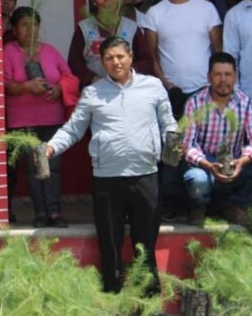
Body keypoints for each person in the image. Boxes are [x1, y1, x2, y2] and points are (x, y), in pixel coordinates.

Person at [46, 37, 176, 295]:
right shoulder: (93, 93)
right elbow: (73, 130)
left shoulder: (153, 86)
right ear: (102, 62)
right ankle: (113, 301)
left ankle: (149, 303)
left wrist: (173, 143)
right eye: (109, 58)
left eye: (120, 57)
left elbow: (168, 123)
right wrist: (50, 147)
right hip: (107, 180)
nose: (115, 62)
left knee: (145, 247)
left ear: (130, 57)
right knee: (110, 246)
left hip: (145, 177)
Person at [143, 0, 222, 222]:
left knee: (206, 145)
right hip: (171, 94)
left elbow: (218, 49)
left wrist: (213, 84)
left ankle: (206, 204)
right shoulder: (155, 12)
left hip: (203, 92)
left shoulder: (207, 9)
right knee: (172, 151)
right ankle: (172, 205)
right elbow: (150, 54)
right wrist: (165, 83)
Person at [3, 7, 71, 228]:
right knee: (33, 167)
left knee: (55, 165)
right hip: (23, 120)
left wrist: (60, 89)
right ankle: (40, 213)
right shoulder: (8, 52)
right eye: (24, 25)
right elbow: (3, 84)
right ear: (14, 29)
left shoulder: (50, 51)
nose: (30, 30)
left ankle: (55, 212)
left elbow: (69, 76)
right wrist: (26, 86)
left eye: (34, 25)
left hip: (52, 117)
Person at [181, 52, 252, 226]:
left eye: (228, 74)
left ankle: (233, 205)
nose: (223, 80)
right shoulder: (195, 102)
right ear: (209, 77)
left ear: (235, 77)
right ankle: (199, 207)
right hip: (204, 163)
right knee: (197, 180)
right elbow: (188, 144)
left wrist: (241, 162)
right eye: (218, 74)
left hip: (233, 162)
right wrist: (208, 165)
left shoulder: (247, 104)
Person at [69, 0, 152, 88]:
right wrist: (92, 78)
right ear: (94, 1)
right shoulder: (84, 27)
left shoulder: (131, 27)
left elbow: (145, 60)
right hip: (95, 90)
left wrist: (127, 74)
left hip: (127, 89)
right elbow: (74, 61)